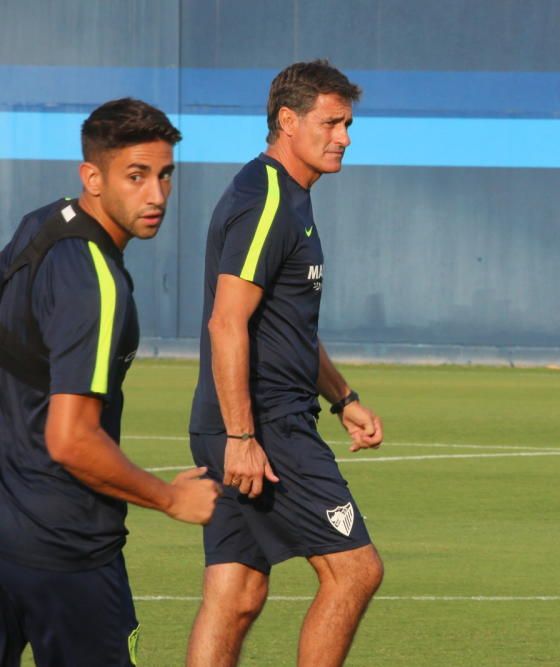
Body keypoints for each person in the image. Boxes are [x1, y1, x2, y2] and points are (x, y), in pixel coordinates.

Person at [0, 98, 220, 667]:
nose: (156, 196)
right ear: (92, 177)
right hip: (65, 551)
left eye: (165, 175)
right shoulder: (95, 283)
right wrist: (172, 499)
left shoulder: (39, 228)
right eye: (136, 176)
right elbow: (70, 439)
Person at [186, 60, 385, 667]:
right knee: (355, 571)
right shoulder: (268, 198)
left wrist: (344, 398)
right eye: (331, 123)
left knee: (237, 591)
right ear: (287, 121)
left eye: (348, 123)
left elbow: (286, 324)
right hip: (265, 427)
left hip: (244, 422)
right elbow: (228, 321)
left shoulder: (287, 198)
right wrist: (243, 436)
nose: (344, 137)